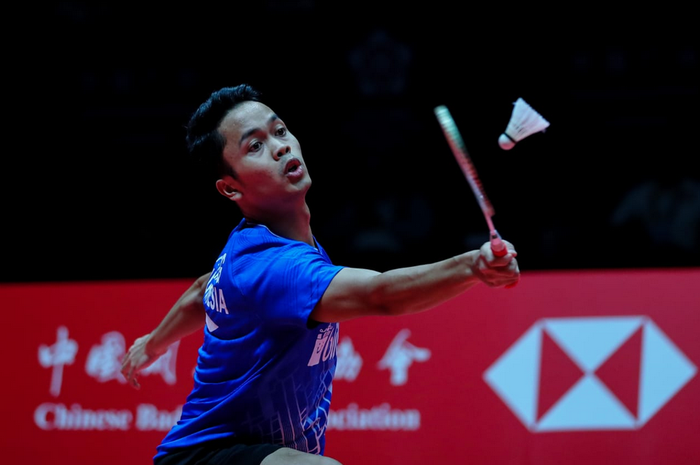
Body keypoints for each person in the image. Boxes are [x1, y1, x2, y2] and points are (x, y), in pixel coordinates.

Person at [120, 83, 520, 465]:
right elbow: (380, 295)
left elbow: (202, 290)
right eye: (255, 146)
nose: (280, 147)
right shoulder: (276, 268)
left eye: (279, 131)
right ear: (230, 189)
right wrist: (472, 266)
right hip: (211, 455)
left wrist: (152, 344)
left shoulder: (249, 248)